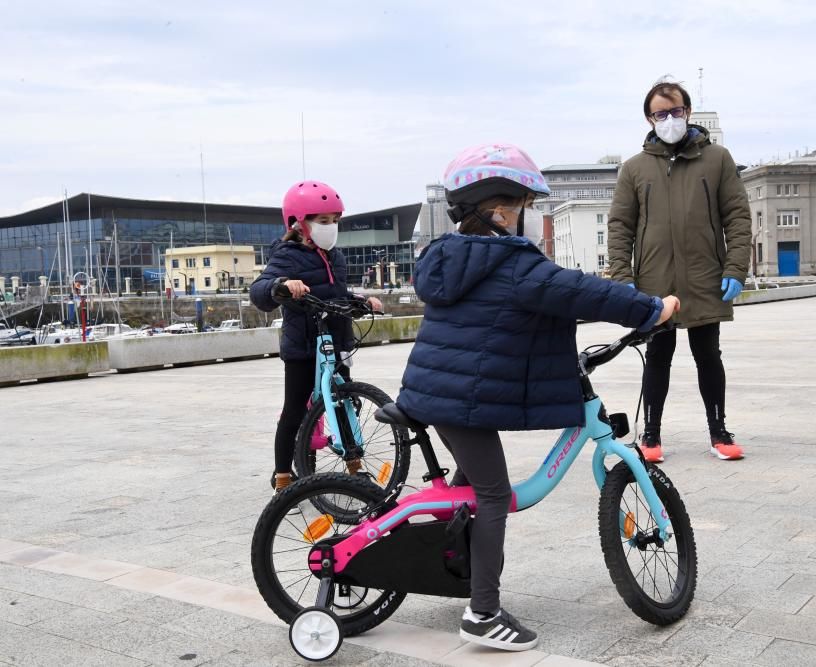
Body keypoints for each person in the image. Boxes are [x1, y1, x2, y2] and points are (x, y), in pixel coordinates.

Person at [394, 143, 678, 651]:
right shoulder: (515, 265)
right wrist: (652, 308)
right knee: (496, 494)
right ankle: (483, 614)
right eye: (527, 206)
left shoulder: (454, 257)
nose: (532, 217)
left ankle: (460, 563)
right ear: (501, 212)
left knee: (473, 487)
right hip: (458, 400)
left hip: (444, 394)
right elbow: (583, 291)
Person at [607, 75, 752, 463]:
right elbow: (620, 227)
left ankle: (719, 431)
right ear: (649, 119)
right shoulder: (634, 169)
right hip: (654, 282)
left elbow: (737, 216)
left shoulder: (718, 159)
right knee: (657, 357)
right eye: (660, 113)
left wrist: (736, 268)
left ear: (687, 111)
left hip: (706, 276)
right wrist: (623, 281)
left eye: (675, 110)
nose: (668, 118)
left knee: (709, 356)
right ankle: (651, 435)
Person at [250, 181, 382, 495]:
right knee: (294, 410)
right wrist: (282, 285)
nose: (331, 227)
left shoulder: (334, 256)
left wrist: (359, 302)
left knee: (344, 402)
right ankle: (284, 477)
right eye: (323, 221)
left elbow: (334, 294)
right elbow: (261, 289)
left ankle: (354, 468)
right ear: (299, 223)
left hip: (336, 341)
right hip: (304, 346)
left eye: (335, 221)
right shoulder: (287, 255)